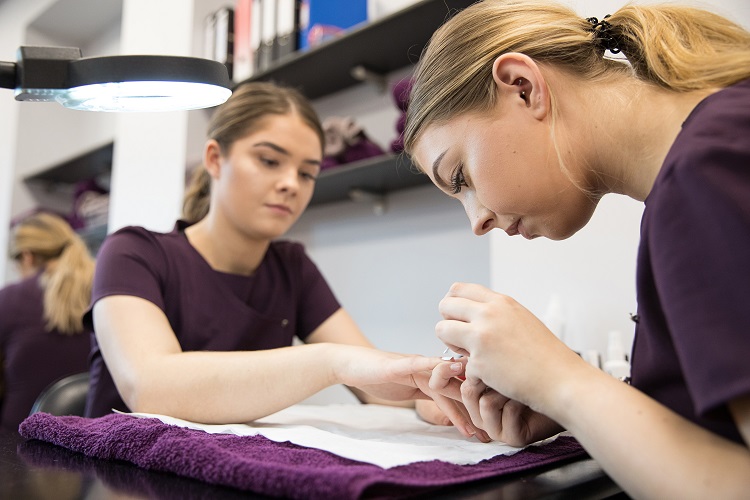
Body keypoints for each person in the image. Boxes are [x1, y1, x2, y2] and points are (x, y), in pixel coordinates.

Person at [403, 0, 750, 497]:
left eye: (460, 177)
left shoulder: (710, 171)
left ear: (523, 87)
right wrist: (576, 402)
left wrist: (561, 382)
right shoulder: (698, 168)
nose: (476, 221)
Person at [84, 81, 487, 440]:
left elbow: (371, 382)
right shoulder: (131, 253)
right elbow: (151, 387)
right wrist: (331, 363)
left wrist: (429, 394)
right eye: (269, 161)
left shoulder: (291, 267)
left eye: (307, 173)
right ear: (214, 159)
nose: (290, 184)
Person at [0, 212, 94, 431]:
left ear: (27, 256)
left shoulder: (10, 299)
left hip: (16, 448)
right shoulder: (105, 291)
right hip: (91, 445)